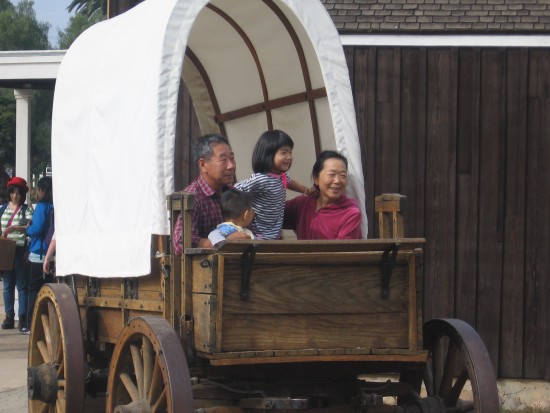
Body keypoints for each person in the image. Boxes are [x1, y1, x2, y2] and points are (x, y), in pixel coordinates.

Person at [172, 134, 250, 253]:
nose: (231, 165)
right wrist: (224, 242)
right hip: (204, 269)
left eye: (232, 158)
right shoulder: (192, 197)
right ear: (203, 165)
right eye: (223, 160)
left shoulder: (233, 193)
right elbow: (180, 242)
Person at [235, 130, 313, 239]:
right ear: (268, 154)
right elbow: (236, 189)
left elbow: (290, 183)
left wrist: (307, 191)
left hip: (274, 233)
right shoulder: (261, 179)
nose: (289, 157)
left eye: (290, 152)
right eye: (284, 152)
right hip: (258, 234)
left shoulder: (282, 176)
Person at [283, 150, 362, 240]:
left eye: (343, 175)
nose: (337, 181)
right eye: (332, 174)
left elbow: (342, 251)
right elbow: (269, 214)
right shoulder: (302, 204)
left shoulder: (350, 213)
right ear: (316, 178)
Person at [1, 177, 33, 331]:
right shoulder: (2, 209)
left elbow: (30, 227)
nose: (15, 196)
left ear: (22, 195)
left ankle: (22, 317)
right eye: (13, 192)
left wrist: (14, 229)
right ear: (9, 193)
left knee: (22, 285)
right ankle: (8, 317)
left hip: (20, 250)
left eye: (18, 193)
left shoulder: (27, 210)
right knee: (7, 286)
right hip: (5, 250)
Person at [23, 176, 54, 334]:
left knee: (33, 289)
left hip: (39, 253)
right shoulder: (54, 206)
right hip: (51, 252)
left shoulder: (42, 207)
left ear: (42, 190)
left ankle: (31, 324)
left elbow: (38, 228)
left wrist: (27, 229)